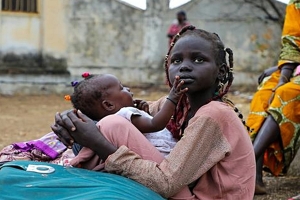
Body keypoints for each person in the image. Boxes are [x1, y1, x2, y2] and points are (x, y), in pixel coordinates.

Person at [52, 25, 256, 199]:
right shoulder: (180, 106)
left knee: (112, 125)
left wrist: (100, 144)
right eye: (176, 61)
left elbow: (166, 183)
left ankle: (86, 171)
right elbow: (117, 110)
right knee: (103, 124)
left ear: (221, 71)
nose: (184, 67)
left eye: (198, 60)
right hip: (184, 192)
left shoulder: (214, 115)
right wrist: (71, 119)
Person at [67, 73, 187, 169]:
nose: (128, 88)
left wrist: (145, 113)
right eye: (121, 88)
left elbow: (147, 133)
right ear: (109, 105)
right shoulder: (124, 114)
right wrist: (172, 98)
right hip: (164, 157)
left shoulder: (111, 124)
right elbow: (155, 125)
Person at [246, 0, 300, 195]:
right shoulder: (296, 4)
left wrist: (283, 80)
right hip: (295, 67)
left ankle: (247, 161)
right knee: (264, 94)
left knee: (286, 93)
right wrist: (281, 74)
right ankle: (256, 178)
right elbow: (292, 43)